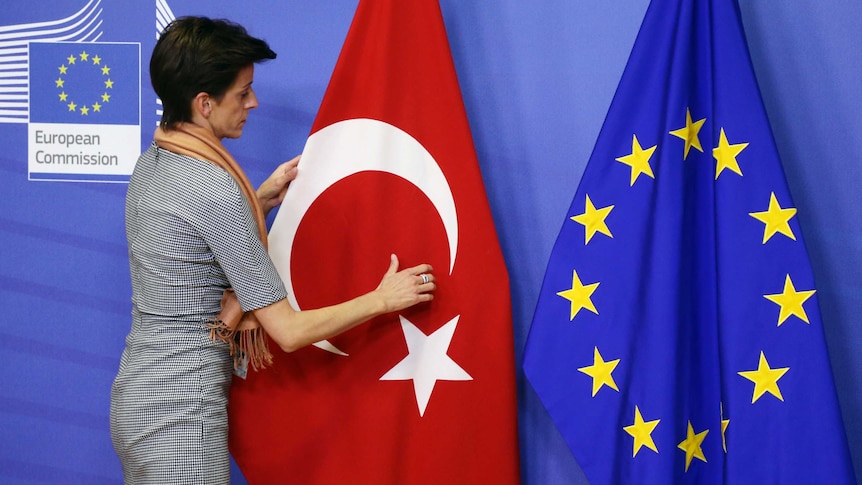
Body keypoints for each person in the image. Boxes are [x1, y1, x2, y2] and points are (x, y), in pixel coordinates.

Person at [109, 16, 436, 484]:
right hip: (180, 422)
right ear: (204, 104)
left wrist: (257, 200)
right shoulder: (215, 189)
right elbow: (287, 330)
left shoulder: (156, 160)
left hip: (138, 399)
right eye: (242, 93)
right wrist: (383, 299)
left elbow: (191, 238)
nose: (253, 103)